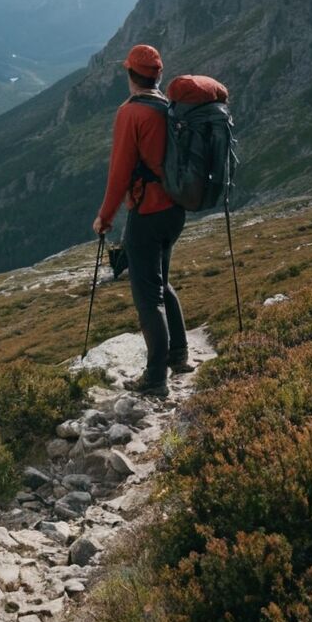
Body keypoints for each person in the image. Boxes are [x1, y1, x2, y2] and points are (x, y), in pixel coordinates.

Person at [92, 44, 192, 398]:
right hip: (175, 210)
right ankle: (179, 355)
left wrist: (105, 217)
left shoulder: (130, 114)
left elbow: (119, 174)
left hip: (146, 213)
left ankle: (155, 377)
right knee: (162, 282)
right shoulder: (170, 108)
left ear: (130, 75)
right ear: (157, 75)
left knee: (147, 295)